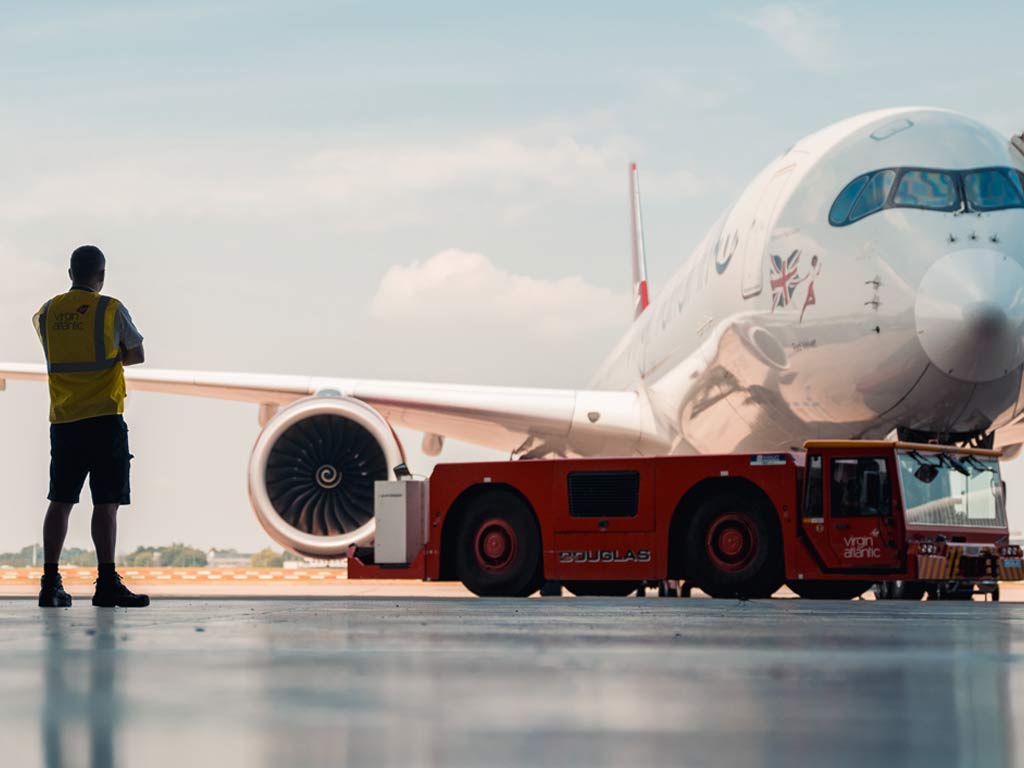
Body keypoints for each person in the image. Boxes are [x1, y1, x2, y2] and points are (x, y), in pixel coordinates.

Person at [33, 245, 150, 608]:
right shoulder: (109, 308)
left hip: (65, 420)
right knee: (106, 503)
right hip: (104, 418)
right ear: (100, 275)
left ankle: (50, 583)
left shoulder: (47, 313)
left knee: (60, 501)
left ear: (71, 274)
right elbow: (138, 353)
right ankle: (106, 582)